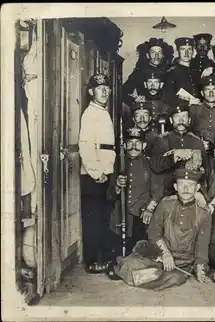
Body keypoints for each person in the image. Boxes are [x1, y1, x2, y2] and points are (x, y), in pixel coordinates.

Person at [112, 168, 212, 290]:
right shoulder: (165, 204)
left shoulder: (204, 214)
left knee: (176, 278)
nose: (186, 189)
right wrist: (165, 253)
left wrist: (200, 269)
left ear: (197, 188)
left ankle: (143, 275)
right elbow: (153, 232)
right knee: (131, 263)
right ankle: (145, 273)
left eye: (190, 185)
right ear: (175, 187)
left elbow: (202, 244)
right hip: (159, 256)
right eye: (182, 184)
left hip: (181, 263)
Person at [106, 127, 164, 260]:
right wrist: (117, 187)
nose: (134, 147)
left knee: (141, 251)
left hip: (141, 214)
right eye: (130, 143)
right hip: (121, 214)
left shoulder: (149, 164)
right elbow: (109, 195)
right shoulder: (117, 164)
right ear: (125, 145)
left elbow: (158, 190)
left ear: (143, 145)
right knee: (116, 251)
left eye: (137, 143)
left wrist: (149, 209)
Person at [79, 73, 116, 274]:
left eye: (106, 88)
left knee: (102, 218)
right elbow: (86, 147)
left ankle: (101, 257)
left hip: (104, 173)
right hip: (94, 176)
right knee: (93, 219)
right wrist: (96, 173)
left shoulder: (102, 112)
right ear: (91, 92)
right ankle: (93, 261)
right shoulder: (90, 114)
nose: (104, 91)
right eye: (99, 89)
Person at [149, 101, 207, 197]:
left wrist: (197, 167)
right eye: (177, 117)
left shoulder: (197, 142)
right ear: (171, 121)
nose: (181, 120)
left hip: (191, 190)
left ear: (189, 120)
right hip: (167, 191)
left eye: (184, 117)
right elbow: (155, 166)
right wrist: (174, 155)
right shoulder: (162, 140)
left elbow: (206, 170)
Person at [122, 38, 172, 109]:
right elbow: (122, 92)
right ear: (148, 55)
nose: (156, 56)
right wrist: (134, 100)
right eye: (153, 52)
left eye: (159, 53)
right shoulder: (139, 73)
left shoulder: (168, 72)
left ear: (163, 55)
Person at [163, 37, 202, 107]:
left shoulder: (197, 72)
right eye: (183, 49)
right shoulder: (171, 73)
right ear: (178, 51)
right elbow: (168, 98)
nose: (186, 53)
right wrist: (188, 102)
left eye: (189, 49)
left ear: (193, 52)